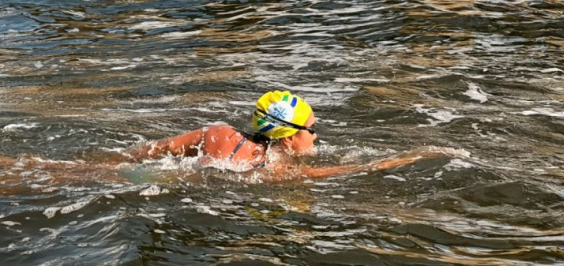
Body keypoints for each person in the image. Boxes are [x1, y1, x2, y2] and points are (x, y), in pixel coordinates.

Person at [127, 90, 430, 179]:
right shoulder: (274, 170)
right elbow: (344, 170)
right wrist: (404, 159)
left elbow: (150, 150)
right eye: (312, 130)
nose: (316, 136)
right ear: (288, 138)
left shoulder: (218, 133)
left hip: (142, 175)